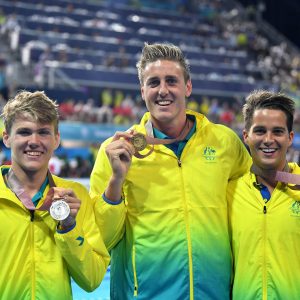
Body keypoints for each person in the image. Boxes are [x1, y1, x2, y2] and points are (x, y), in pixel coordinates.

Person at [90, 43, 251, 300]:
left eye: (171, 81)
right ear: (143, 91)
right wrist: (116, 182)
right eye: (153, 82)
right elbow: (100, 238)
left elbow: (253, 203)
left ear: (188, 86)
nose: (162, 90)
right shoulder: (116, 151)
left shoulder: (225, 143)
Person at [0, 90, 110, 299]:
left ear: (56, 139)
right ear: (7, 138)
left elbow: (93, 279)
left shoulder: (75, 196)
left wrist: (69, 227)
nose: (34, 141)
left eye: (43, 132)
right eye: (24, 132)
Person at [227, 90, 300, 299]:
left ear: (290, 138)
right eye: (260, 131)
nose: (268, 140)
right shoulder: (229, 193)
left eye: (277, 132)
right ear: (246, 136)